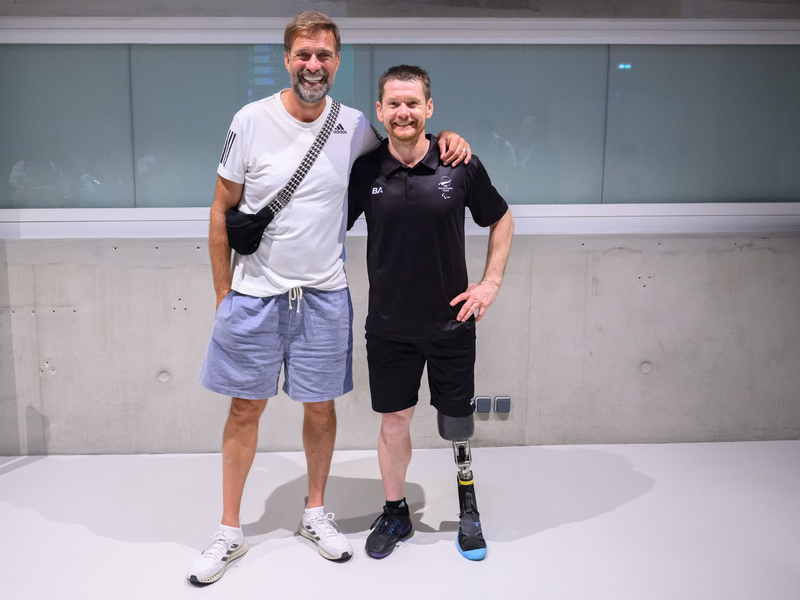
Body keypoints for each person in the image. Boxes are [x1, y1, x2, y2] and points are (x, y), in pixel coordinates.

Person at [186, 13, 471, 586]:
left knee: (320, 407)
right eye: (303, 55)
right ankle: (230, 530)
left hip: (323, 296)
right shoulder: (251, 120)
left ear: (337, 62)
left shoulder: (356, 125)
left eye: (324, 56)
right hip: (256, 294)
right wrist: (223, 291)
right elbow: (221, 209)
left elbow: (407, 138)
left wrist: (449, 139)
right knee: (244, 408)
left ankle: (315, 513)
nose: (313, 65)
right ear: (288, 59)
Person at [347, 65, 514, 561]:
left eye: (412, 103)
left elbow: (501, 218)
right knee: (394, 422)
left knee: (456, 423)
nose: (403, 112)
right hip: (390, 328)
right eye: (394, 104)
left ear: (429, 108)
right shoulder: (365, 171)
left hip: (452, 325)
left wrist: (490, 284)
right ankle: (396, 511)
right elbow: (326, 225)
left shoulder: (458, 164)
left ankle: (468, 506)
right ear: (380, 111)